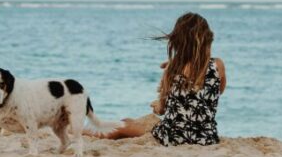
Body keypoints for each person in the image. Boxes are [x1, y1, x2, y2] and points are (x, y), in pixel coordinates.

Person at [92, 12, 226, 145]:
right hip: (207, 138)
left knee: (123, 124)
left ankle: (81, 131)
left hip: (173, 137)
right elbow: (217, 92)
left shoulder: (172, 69)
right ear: (207, 39)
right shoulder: (218, 65)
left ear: (177, 41)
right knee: (132, 124)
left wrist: (157, 104)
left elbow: (161, 111)